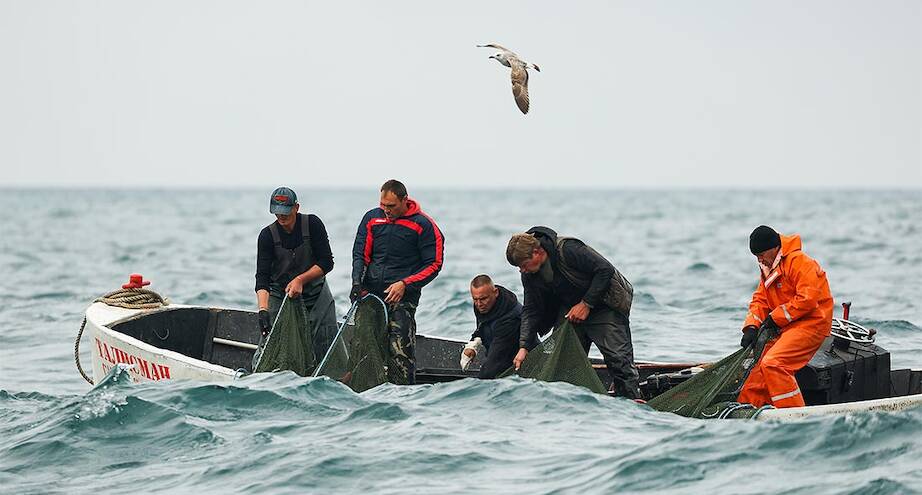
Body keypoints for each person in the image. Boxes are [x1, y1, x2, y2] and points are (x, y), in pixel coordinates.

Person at [506, 227, 641, 398]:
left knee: (619, 361)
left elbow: (605, 269)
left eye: (523, 265)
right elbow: (531, 310)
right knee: (560, 361)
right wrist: (524, 346)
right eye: (519, 267)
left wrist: (586, 304)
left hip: (603, 306)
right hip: (569, 311)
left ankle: (631, 399)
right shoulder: (529, 274)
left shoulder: (568, 249)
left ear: (537, 252)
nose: (522, 270)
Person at [351, 179, 444, 385]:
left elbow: (434, 264)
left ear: (404, 200)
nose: (386, 210)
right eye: (383, 205)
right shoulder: (371, 218)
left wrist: (405, 284)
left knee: (400, 351)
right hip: (370, 295)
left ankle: (402, 391)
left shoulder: (424, 225)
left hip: (403, 298)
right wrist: (357, 283)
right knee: (362, 346)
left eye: (391, 206)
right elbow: (360, 254)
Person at [737, 225, 833, 408]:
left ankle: (794, 414)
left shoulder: (800, 263)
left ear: (774, 248)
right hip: (785, 327)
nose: (759, 260)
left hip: (812, 324)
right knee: (756, 373)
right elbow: (760, 300)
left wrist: (776, 317)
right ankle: (748, 412)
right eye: (756, 256)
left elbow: (808, 299)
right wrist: (751, 327)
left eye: (761, 255)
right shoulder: (769, 266)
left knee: (774, 363)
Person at [254, 186, 337, 371]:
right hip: (281, 296)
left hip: (316, 294)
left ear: (296, 207)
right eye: (277, 212)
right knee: (270, 344)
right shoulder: (267, 236)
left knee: (326, 341)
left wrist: (300, 280)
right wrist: (263, 310)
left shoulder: (313, 224)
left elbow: (327, 262)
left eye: (285, 212)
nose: (281, 216)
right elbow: (262, 278)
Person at [460, 274, 536, 379]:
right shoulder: (484, 306)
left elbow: (493, 364)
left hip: (527, 369)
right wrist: (473, 345)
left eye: (483, 299)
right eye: (475, 299)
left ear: (495, 292)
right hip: (501, 359)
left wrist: (474, 385)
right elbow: (483, 326)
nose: (479, 304)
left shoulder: (509, 319)